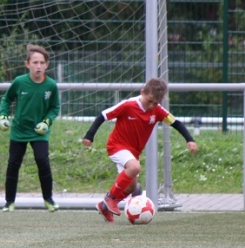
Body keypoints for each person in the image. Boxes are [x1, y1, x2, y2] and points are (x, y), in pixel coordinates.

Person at [82, 78, 198, 222]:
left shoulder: (157, 110)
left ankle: (104, 207)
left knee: (131, 187)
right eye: (149, 101)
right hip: (117, 146)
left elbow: (176, 122)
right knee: (135, 167)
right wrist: (89, 135)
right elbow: (103, 115)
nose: (151, 105)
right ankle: (110, 198)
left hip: (133, 153)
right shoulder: (128, 105)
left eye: (156, 103)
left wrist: (189, 139)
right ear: (142, 92)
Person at [0, 44, 61, 212]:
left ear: (47, 65)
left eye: (42, 62)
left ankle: (48, 199)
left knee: (42, 160)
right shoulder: (19, 82)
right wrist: (3, 117)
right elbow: (6, 100)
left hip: (39, 133)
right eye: (35, 62)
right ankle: (9, 202)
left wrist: (46, 122)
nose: (38, 66)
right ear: (27, 64)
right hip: (19, 131)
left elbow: (55, 108)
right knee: (13, 164)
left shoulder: (51, 85)